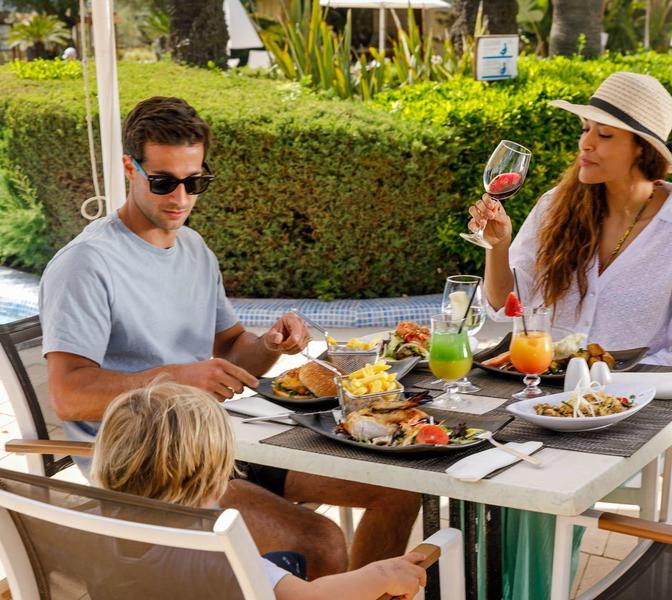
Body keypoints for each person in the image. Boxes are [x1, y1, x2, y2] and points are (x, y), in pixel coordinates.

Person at [39, 96, 420, 578]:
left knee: (398, 489)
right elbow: (68, 396)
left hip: (219, 446)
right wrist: (172, 380)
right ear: (128, 169)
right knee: (318, 540)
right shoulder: (87, 264)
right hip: (147, 471)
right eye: (163, 182)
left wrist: (268, 346)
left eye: (194, 181)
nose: (180, 198)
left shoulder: (195, 250)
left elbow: (233, 347)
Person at [468, 72, 672, 598]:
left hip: (625, 413)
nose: (585, 144)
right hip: (534, 392)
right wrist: (498, 247)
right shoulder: (555, 206)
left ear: (644, 152)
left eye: (605, 135)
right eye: (586, 129)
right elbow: (503, 308)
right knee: (464, 459)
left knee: (529, 480)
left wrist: (600, 399)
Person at [90, 381, 427, 600]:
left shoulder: (90, 530)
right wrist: (382, 573)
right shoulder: (219, 550)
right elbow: (310, 598)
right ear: (215, 474)